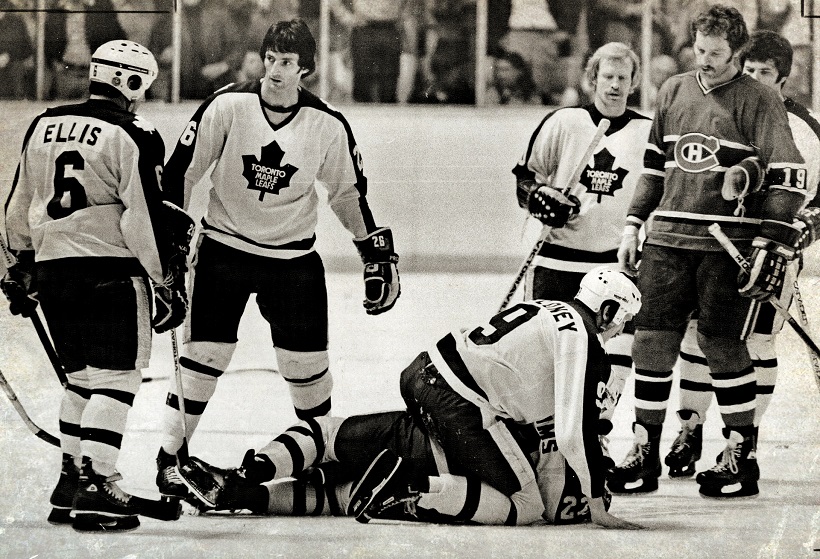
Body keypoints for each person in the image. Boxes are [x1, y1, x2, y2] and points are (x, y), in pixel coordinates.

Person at [174, 267, 642, 529]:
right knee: (525, 507)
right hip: (462, 410)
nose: (620, 328)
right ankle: (408, 497)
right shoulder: (581, 335)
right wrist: (598, 501)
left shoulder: (547, 308)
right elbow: (573, 430)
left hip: (423, 374)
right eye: (622, 318)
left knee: (333, 438)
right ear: (607, 308)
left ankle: (245, 481)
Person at [154, 19, 401, 499]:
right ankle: (169, 458)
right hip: (224, 250)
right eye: (270, 59)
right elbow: (182, 173)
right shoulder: (227, 105)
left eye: (286, 63)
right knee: (205, 356)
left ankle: (320, 456)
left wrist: (372, 247)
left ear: (305, 69)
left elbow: (347, 193)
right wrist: (170, 240)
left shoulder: (327, 124)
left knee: (307, 368)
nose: (275, 71)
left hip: (292, 262)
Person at [611, 5, 808, 498]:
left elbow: (789, 178)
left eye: (717, 54)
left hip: (725, 246)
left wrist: (770, 241)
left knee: (722, 346)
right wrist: (633, 225)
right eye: (699, 50)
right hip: (668, 242)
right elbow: (655, 166)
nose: (706, 61)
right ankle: (642, 448)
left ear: (738, 52)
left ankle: (741, 456)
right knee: (650, 344)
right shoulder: (674, 89)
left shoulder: (760, 99)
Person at [2, 40, 190, 532]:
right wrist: (164, 277)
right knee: (116, 379)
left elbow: (19, 204)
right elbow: (141, 220)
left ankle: (70, 481)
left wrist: (19, 265)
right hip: (109, 273)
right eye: (141, 89)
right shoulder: (135, 133)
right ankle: (98, 481)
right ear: (130, 84)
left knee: (82, 379)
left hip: (53, 272)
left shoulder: (43, 123)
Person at [667, 30, 820, 479]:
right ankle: (689, 429)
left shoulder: (803, 130)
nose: (753, 79)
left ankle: (743, 444)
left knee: (756, 344)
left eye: (764, 73)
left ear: (783, 80)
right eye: (748, 70)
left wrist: (802, 231)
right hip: (715, 247)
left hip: (768, 253)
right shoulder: (722, 109)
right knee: (698, 337)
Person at [512, 42, 652, 447]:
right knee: (543, 355)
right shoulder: (563, 122)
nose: (614, 85)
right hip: (555, 261)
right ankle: (542, 439)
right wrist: (537, 197)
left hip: (614, 267)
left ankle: (596, 436)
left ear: (634, 83)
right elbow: (526, 179)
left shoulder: (646, 132)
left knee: (611, 359)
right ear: (592, 79)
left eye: (622, 78)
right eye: (606, 76)